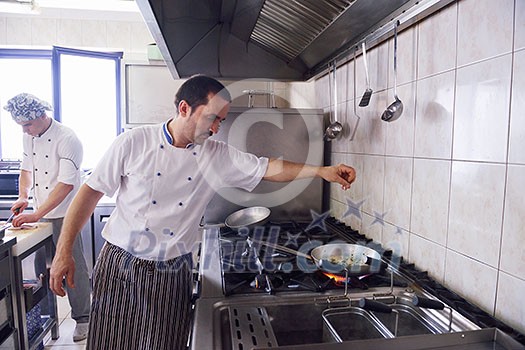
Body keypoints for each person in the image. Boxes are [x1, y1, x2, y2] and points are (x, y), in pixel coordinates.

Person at [49, 75, 356, 350]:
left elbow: (269, 167)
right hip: (121, 263)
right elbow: (88, 193)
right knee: (110, 341)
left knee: (164, 344)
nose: (216, 127)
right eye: (212, 118)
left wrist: (322, 170)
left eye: (221, 121)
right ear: (184, 108)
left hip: (172, 270)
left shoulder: (216, 154)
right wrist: (64, 251)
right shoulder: (133, 142)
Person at [4, 93, 91, 342]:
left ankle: (83, 318)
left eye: (28, 125)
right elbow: (26, 168)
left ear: (43, 116)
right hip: (41, 212)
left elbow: (65, 185)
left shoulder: (68, 138)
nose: (25, 130)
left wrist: (36, 214)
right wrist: (23, 196)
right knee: (43, 270)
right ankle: (43, 316)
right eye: (21, 126)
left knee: (72, 265)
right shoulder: (28, 137)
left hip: (67, 212)